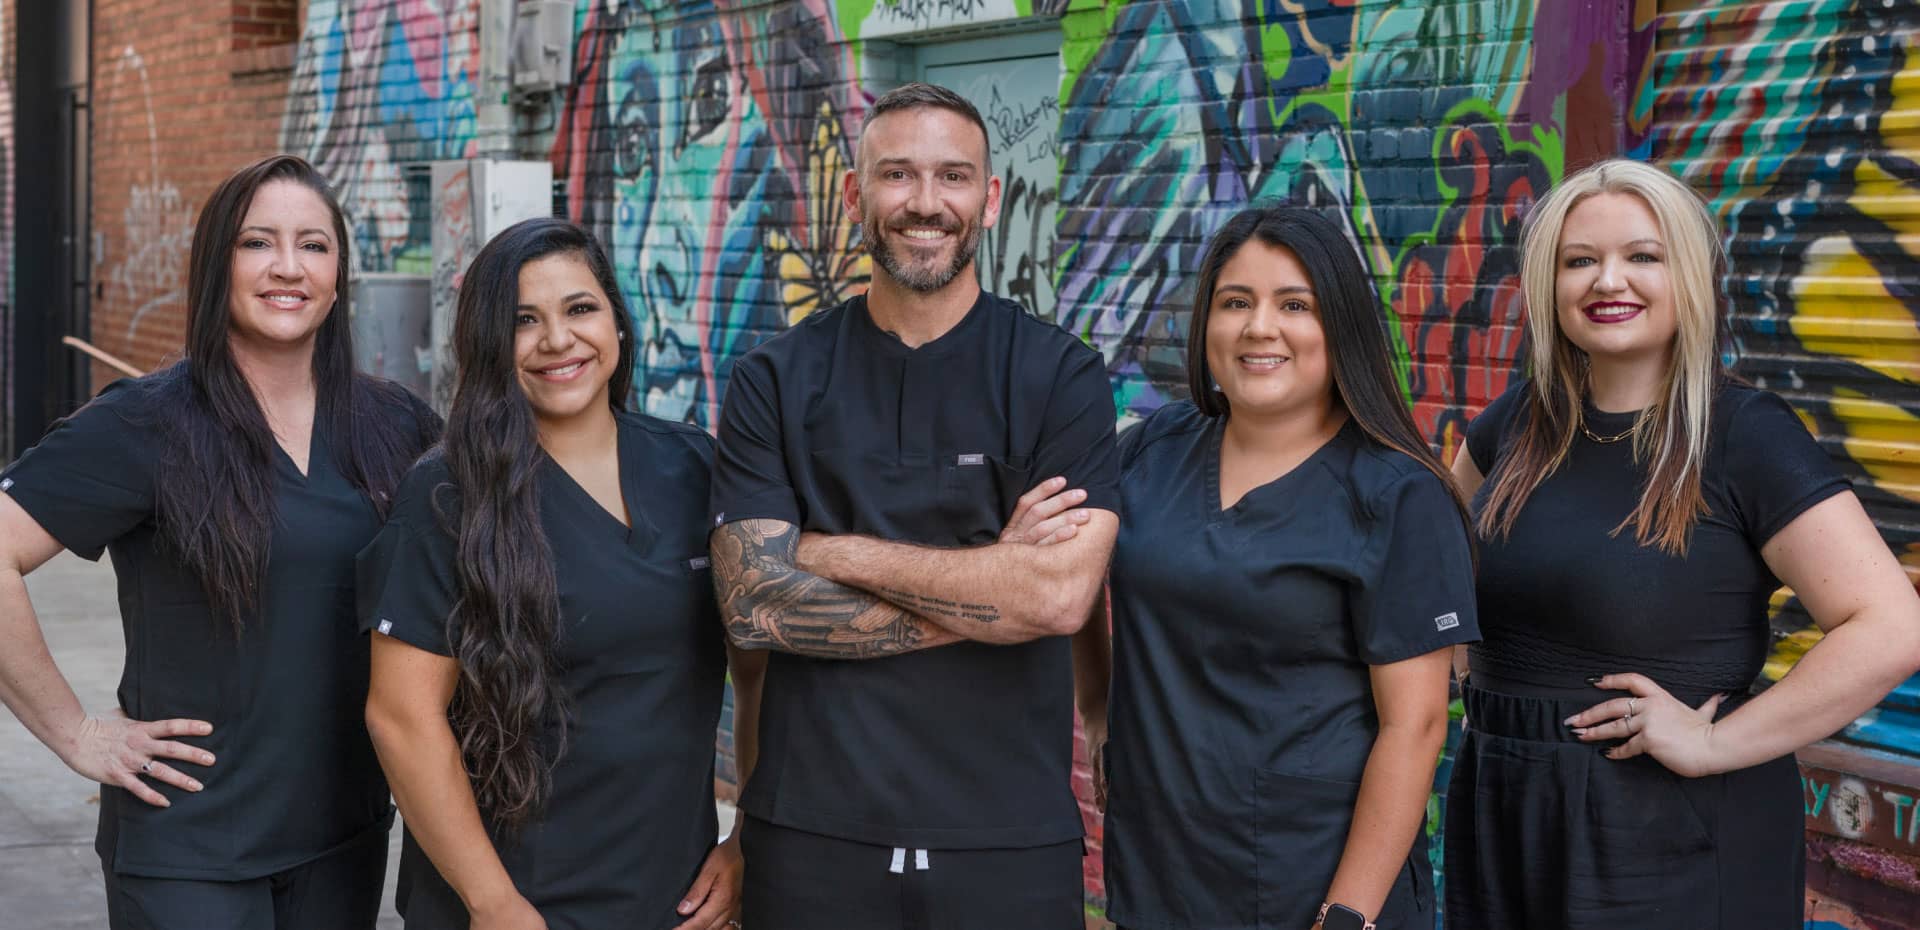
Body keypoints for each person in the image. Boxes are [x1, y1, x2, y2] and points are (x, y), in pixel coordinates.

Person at [1443, 158, 1920, 928]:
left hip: (1667, 834)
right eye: (1579, 260)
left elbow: (1892, 627)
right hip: (1508, 806)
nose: (1607, 281)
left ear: (1688, 274)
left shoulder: (1742, 436)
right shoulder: (1514, 426)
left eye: (1642, 256)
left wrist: (1711, 742)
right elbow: (1434, 578)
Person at [707, 81, 1119, 930]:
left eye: (953, 177)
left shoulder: (1060, 377)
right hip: (812, 835)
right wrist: (996, 587)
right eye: (896, 176)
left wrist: (826, 552)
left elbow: (1060, 597)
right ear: (855, 196)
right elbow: (753, 604)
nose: (925, 204)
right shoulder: (774, 382)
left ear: (991, 199)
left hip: (1008, 841)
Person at [0, 154, 439, 929]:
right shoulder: (146, 423)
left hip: (346, 838)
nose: (287, 267)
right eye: (256, 243)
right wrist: (76, 733)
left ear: (339, 272)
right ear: (217, 265)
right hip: (188, 852)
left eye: (313, 244)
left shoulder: (395, 425)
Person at [1074, 206, 1478, 930]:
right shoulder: (1152, 450)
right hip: (1160, 873)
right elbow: (1072, 579)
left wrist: (1348, 911)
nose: (1260, 327)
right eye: (1236, 303)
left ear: (1340, 327)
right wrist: (1101, 712)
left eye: (1296, 304)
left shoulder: (1397, 496)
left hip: (1312, 882)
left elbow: (1415, 726)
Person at [358, 217, 761, 930]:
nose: (557, 340)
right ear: (490, 344)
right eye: (523, 321)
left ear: (617, 322)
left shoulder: (694, 465)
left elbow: (757, 671)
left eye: (580, 308)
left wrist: (746, 837)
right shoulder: (449, 494)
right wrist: (493, 905)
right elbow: (401, 717)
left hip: (677, 898)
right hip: (516, 901)